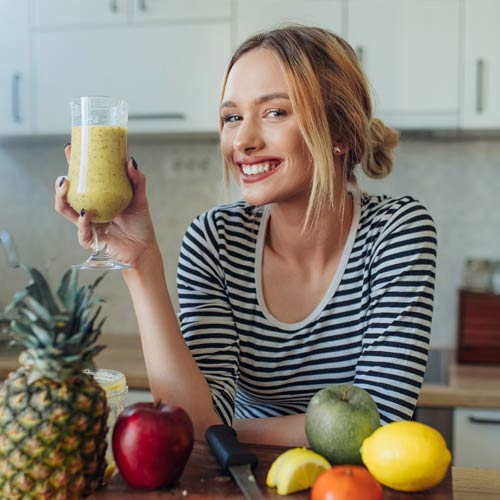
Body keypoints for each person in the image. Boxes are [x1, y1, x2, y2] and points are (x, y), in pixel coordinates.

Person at [55, 25, 437, 446]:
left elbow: (379, 425)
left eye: (275, 112)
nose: (243, 140)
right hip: (242, 479)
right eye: (232, 117)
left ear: (340, 133)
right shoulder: (216, 241)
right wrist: (140, 261)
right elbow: (187, 418)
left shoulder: (396, 233)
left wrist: (218, 431)